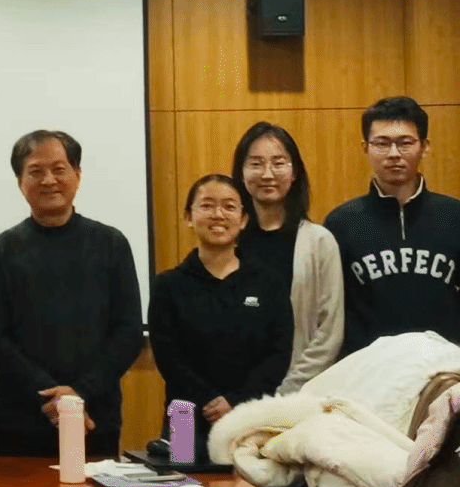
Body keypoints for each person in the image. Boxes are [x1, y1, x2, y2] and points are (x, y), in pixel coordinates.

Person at [0, 130, 143, 458]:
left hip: (95, 415)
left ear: (77, 175)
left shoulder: (111, 244)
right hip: (21, 420)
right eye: (36, 171)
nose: (49, 180)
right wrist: (55, 398)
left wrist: (80, 394)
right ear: (20, 182)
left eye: (59, 169)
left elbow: (128, 332)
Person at [148, 175, 294, 460]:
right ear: (189, 217)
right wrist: (210, 401)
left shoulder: (269, 283)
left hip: (251, 414)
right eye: (207, 205)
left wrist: (235, 401)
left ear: (243, 219)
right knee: (182, 485)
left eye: (229, 206)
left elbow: (278, 354)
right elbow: (169, 358)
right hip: (184, 415)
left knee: (248, 484)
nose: (218, 214)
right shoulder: (168, 285)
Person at [325, 96, 460, 356]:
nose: (394, 154)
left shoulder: (454, 216)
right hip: (367, 367)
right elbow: (330, 311)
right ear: (365, 147)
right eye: (382, 143)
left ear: (425, 146)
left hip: (444, 366)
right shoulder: (340, 223)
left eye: (405, 143)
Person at [232, 122, 343, 393]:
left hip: (299, 395)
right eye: (256, 164)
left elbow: (329, 333)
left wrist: (286, 391)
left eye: (278, 163)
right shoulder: (227, 242)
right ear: (241, 173)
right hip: (232, 395)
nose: (267, 174)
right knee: (179, 419)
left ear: (294, 173)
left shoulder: (319, 242)